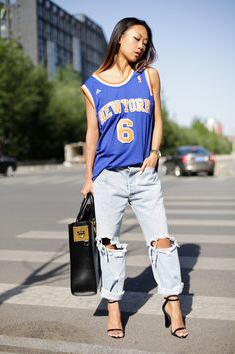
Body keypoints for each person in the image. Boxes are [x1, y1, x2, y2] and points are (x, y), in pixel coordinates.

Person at [81, 17, 188, 339]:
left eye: (146, 40)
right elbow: (92, 133)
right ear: (119, 39)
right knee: (110, 245)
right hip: (108, 177)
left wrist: (155, 151)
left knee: (163, 241)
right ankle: (114, 306)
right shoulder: (94, 84)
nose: (142, 45)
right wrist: (88, 178)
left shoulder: (149, 77)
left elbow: (157, 119)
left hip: (144, 175)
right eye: (136, 38)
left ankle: (172, 301)